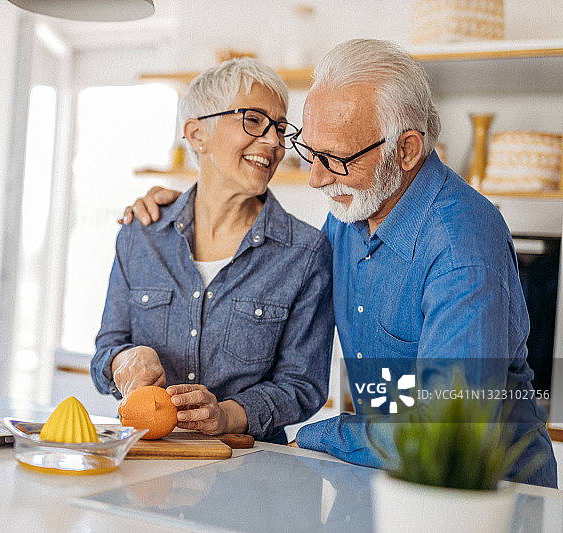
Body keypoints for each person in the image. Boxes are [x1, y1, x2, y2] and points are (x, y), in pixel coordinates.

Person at [122, 39, 557, 487]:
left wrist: (322, 434)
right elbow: (281, 258)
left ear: (406, 150)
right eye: (311, 152)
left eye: (335, 160)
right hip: (391, 476)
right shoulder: (351, 215)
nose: (315, 179)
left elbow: (449, 429)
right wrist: (189, 209)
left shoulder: (463, 244)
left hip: (489, 492)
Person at [91, 57, 334, 444]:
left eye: (280, 127)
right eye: (253, 120)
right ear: (197, 134)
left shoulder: (305, 252)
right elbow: (107, 349)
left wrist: (225, 415)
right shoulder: (141, 234)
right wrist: (126, 361)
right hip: (149, 463)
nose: (273, 142)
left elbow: (301, 386)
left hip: (249, 477)